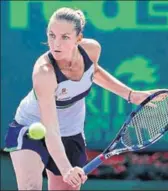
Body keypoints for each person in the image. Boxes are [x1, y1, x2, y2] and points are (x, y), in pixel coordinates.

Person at [4, 7, 156, 190]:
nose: (56, 44)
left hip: (71, 131)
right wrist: (67, 168)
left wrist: (130, 94)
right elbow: (51, 129)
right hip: (31, 126)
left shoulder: (91, 49)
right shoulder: (44, 73)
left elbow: (94, 72)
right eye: (51, 35)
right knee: (30, 187)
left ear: (78, 38)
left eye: (65, 37)